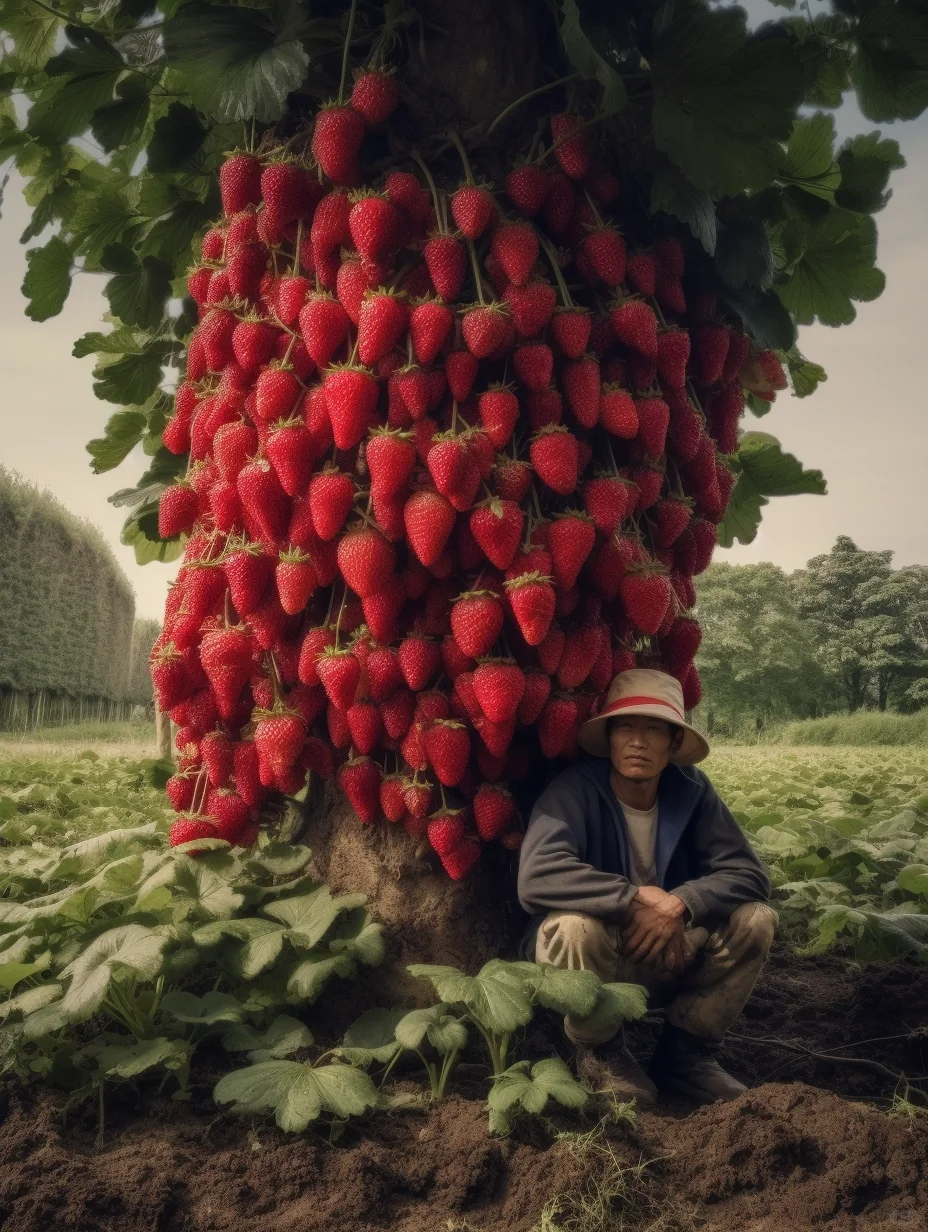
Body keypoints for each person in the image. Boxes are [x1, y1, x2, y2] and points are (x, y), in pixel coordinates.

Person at [517, 667, 777, 1107]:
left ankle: (686, 1055)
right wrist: (635, 900)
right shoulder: (574, 790)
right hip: (593, 960)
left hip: (669, 953)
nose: (638, 741)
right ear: (611, 738)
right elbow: (537, 874)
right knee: (576, 927)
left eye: (654, 730)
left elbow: (750, 874)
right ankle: (600, 1054)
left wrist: (681, 903)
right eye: (626, 727)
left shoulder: (692, 791)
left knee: (757, 919)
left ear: (674, 743)